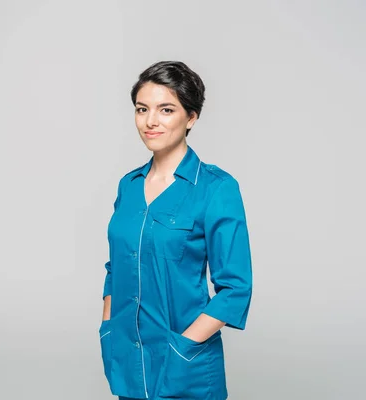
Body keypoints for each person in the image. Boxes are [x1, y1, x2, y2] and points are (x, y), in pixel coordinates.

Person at [99, 61, 253, 400]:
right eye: (142, 109)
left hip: (186, 368)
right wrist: (108, 327)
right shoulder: (129, 185)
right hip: (128, 362)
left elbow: (236, 289)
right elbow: (117, 267)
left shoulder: (216, 188)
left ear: (191, 117)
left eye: (166, 109)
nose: (151, 121)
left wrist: (183, 346)